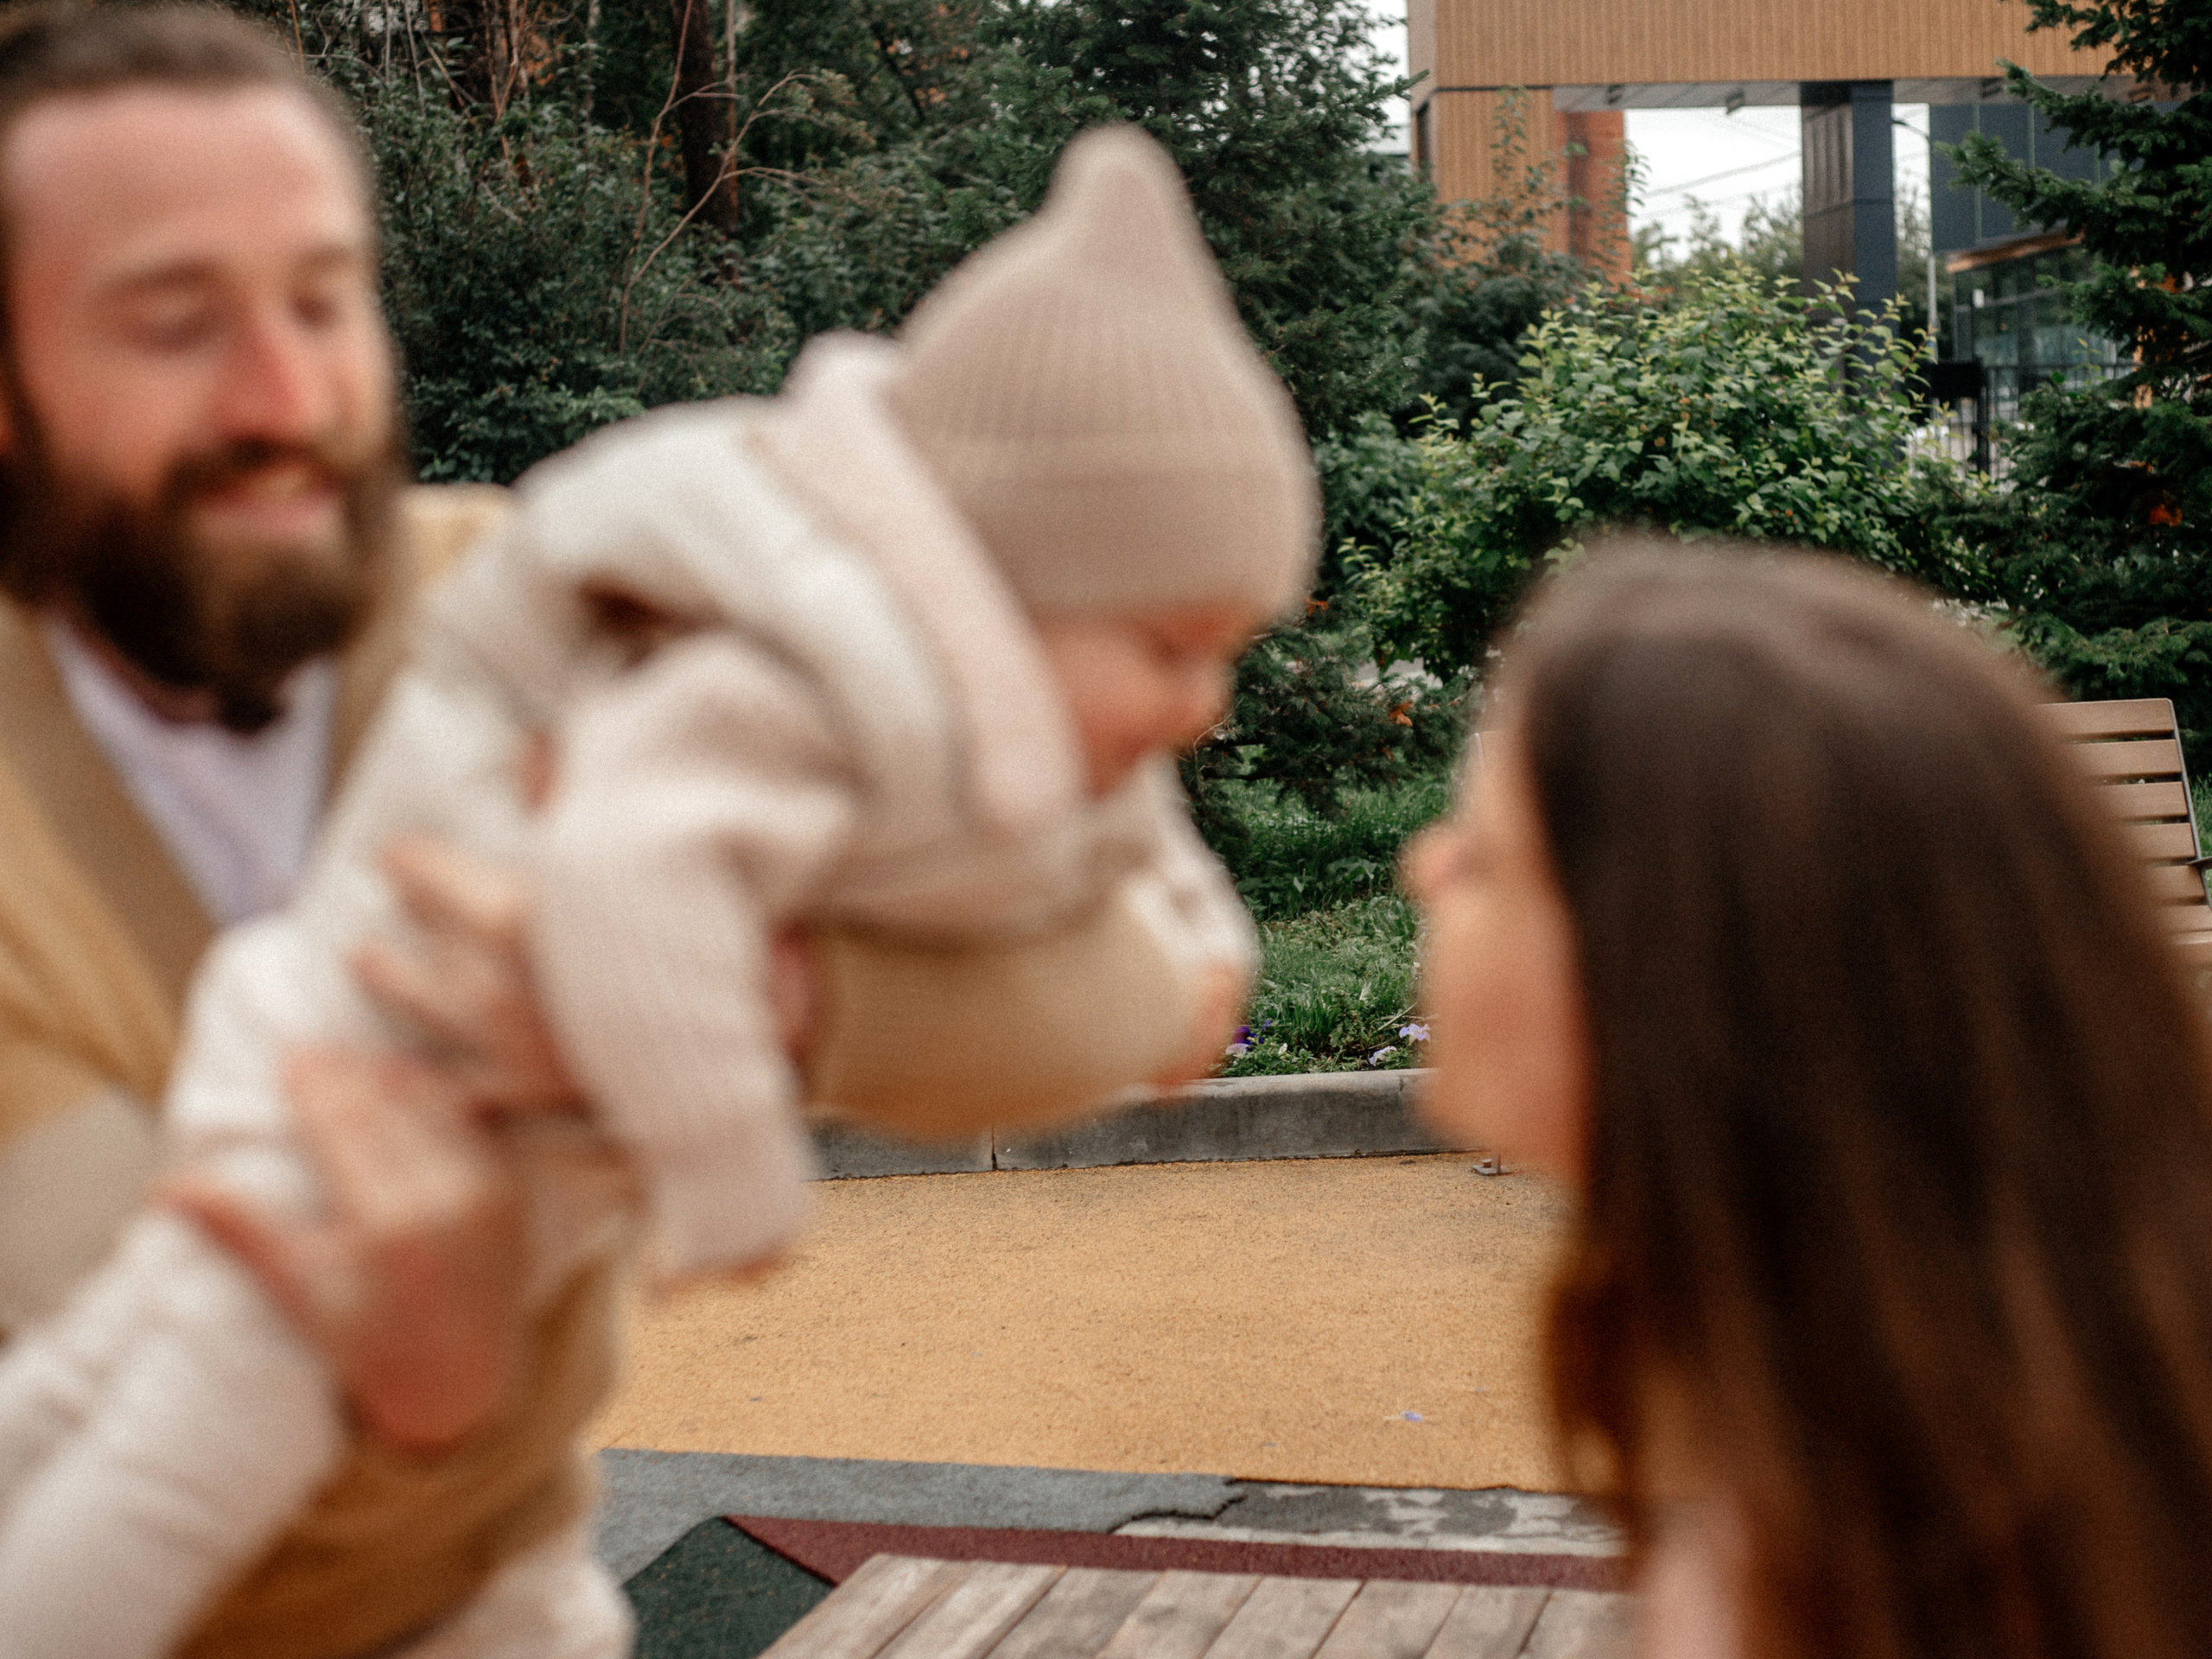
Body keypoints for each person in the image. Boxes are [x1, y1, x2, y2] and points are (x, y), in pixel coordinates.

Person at [0, 95, 1298, 1659]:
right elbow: (248, 1380)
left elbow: (1151, 1002)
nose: (289, 386)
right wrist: (469, 1362)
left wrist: (792, 999)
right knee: (166, 1414)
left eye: (323, 295)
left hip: (493, 1564)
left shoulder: (512, 581)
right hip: (280, 1455)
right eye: (174, 320)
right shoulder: (714, 643)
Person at [1407, 543, 2212, 1659]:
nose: (1422, 868)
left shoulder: (1883, 1568)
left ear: (1674, 975)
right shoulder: (1919, 1450)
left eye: (1486, 860)